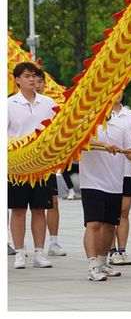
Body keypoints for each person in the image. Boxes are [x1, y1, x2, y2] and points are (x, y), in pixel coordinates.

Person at [79, 105, 131, 281]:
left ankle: (103, 263)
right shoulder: (86, 121)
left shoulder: (122, 125)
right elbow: (80, 142)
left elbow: (129, 153)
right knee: (93, 224)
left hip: (114, 183)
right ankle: (92, 265)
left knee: (109, 225)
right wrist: (103, 144)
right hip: (92, 182)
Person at [8, 62, 56, 269]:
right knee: (18, 210)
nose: (32, 80)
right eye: (27, 76)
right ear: (17, 80)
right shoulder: (9, 104)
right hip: (17, 167)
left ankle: (39, 252)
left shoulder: (48, 103)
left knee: (39, 210)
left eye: (34, 76)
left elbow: (55, 132)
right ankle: (19, 252)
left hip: (41, 167)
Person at [33, 67, 66, 256]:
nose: (36, 85)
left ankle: (53, 242)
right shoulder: (14, 103)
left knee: (52, 201)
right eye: (32, 80)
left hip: (46, 162)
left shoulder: (50, 104)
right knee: (19, 208)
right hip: (24, 162)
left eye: (39, 81)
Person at [108, 93, 131, 266]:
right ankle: (111, 251)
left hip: (127, 170)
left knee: (124, 212)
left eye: (121, 89)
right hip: (108, 169)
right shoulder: (101, 114)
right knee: (111, 212)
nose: (118, 93)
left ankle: (122, 250)